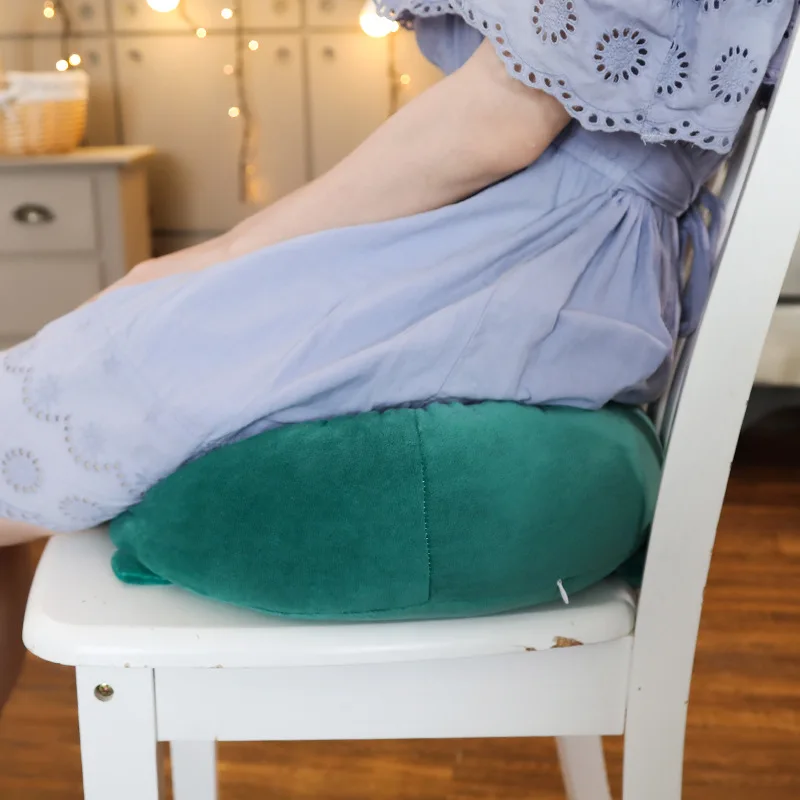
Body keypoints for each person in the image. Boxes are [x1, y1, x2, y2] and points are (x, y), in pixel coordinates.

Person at [0, 1, 795, 544]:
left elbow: (500, 125)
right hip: (554, 256)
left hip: (536, 258)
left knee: (73, 384)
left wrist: (226, 252)